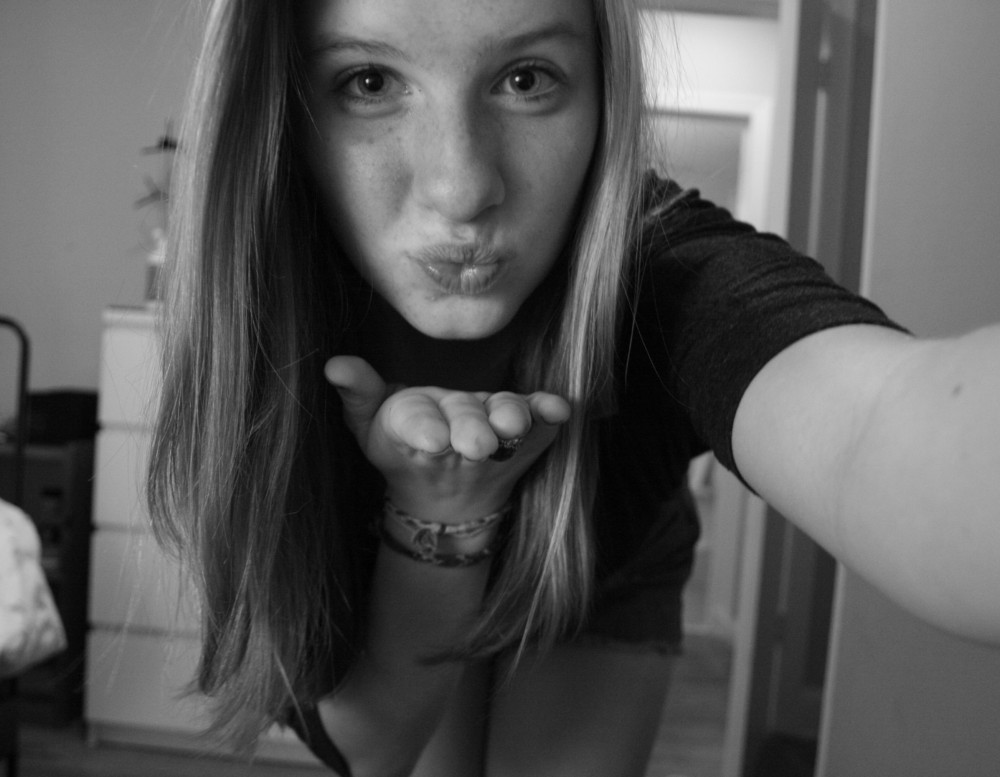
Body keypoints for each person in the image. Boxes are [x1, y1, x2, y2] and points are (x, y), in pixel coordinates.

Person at [146, 0, 1000, 774]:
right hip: (394, 573)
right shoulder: (264, 309)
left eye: (526, 79)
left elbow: (878, 425)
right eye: (369, 82)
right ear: (283, 110)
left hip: (601, 554)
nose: (461, 188)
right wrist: (438, 515)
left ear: (603, 95)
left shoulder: (665, 270)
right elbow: (371, 747)